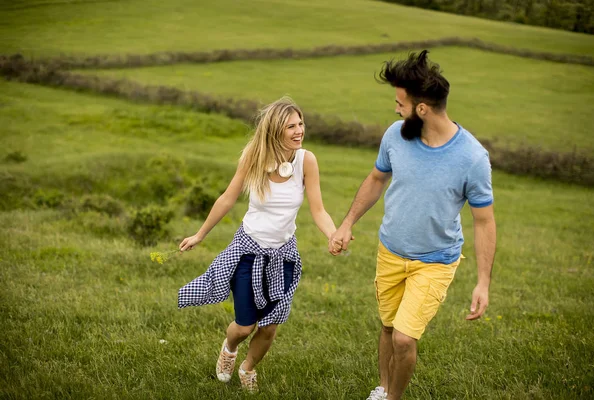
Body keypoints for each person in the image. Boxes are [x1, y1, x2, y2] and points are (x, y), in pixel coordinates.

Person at [328, 50, 496, 400]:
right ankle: (383, 388)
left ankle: (393, 398)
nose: (395, 110)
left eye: (400, 103)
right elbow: (376, 179)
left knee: (405, 337)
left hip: (435, 260)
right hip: (390, 251)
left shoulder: (472, 158)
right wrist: (346, 223)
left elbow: (484, 221)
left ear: (422, 109)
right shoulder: (395, 135)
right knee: (389, 328)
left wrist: (483, 282)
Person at [177, 97, 337, 393]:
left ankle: (248, 369)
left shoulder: (306, 161)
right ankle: (229, 348)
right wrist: (200, 234)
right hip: (248, 252)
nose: (299, 130)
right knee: (245, 326)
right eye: (291, 126)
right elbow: (227, 198)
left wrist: (333, 234)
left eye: (301, 123)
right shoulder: (253, 156)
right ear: (276, 130)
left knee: (271, 325)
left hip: (284, 255)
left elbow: (318, 210)